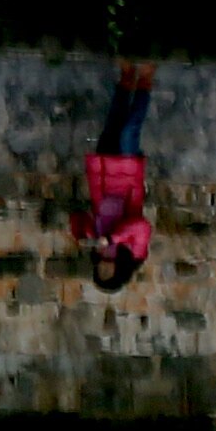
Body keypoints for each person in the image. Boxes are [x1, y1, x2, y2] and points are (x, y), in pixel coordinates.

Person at [81, 59, 154, 291]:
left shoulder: (97, 248)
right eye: (106, 273)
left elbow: (78, 218)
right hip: (125, 182)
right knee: (128, 132)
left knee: (113, 123)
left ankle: (126, 76)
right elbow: (141, 227)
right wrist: (113, 239)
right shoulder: (134, 254)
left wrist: (85, 233)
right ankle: (145, 81)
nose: (103, 267)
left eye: (99, 271)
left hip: (102, 179)